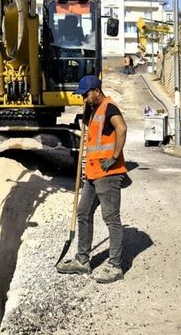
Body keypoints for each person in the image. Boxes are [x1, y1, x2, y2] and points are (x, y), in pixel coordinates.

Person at [56, 75, 128, 283]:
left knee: (111, 219)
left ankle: (115, 266)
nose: (84, 98)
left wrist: (114, 157)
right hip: (93, 174)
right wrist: (86, 111)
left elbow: (121, 128)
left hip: (108, 174)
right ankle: (82, 260)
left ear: (97, 91)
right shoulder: (93, 109)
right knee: (83, 212)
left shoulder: (109, 107)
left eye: (86, 95)